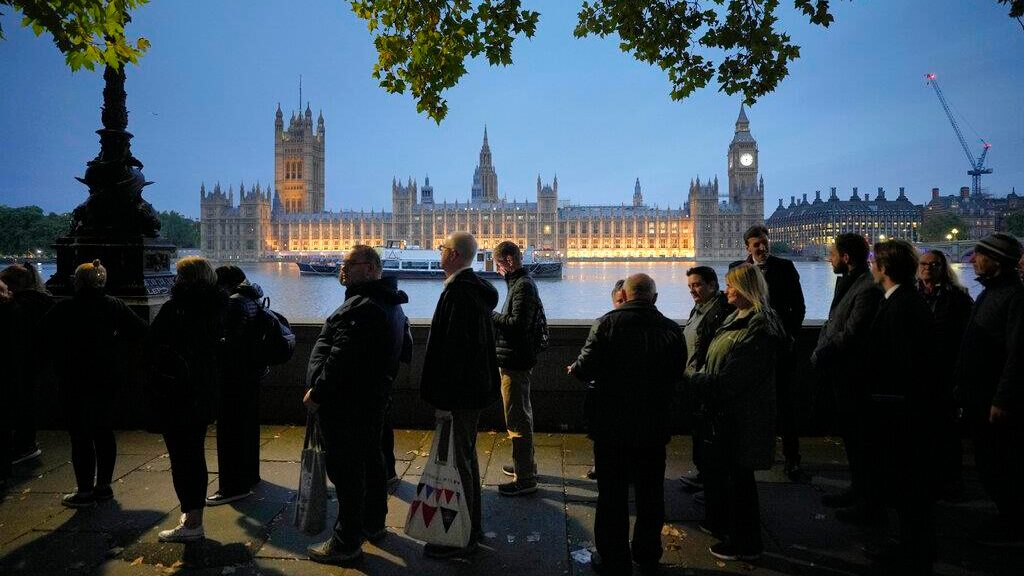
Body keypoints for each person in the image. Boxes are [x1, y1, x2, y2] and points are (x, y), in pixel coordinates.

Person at [569, 274, 685, 575]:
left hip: (612, 424)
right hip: (654, 424)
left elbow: (584, 369)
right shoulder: (672, 330)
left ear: (625, 295)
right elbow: (677, 376)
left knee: (612, 495)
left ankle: (613, 559)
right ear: (654, 298)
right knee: (650, 493)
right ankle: (647, 553)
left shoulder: (606, 324)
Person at [304, 244, 412, 565]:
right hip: (373, 399)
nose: (342, 268)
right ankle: (373, 523)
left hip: (348, 404)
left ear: (368, 268)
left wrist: (318, 392)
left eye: (348, 264)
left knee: (347, 472)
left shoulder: (365, 306)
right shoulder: (391, 304)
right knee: (372, 460)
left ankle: (346, 541)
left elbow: (342, 358)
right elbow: (402, 350)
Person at [686, 264, 787, 561]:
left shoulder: (759, 326)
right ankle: (733, 532)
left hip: (741, 415)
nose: (726, 290)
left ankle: (746, 543)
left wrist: (692, 379)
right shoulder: (737, 317)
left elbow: (733, 378)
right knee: (732, 478)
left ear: (746, 290)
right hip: (727, 412)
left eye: (731, 286)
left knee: (740, 482)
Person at [419, 231, 500, 559]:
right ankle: (472, 525)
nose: (439, 252)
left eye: (442, 248)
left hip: (461, 394)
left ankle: (462, 538)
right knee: (466, 457)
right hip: (475, 389)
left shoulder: (458, 295)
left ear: (453, 255)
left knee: (459, 461)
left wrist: (444, 401)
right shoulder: (474, 290)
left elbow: (453, 352)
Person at [41, 260, 147, 507]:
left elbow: (41, 336)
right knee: (103, 431)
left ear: (77, 282)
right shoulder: (115, 306)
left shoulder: (64, 308)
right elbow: (142, 331)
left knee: (80, 435)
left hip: (74, 377)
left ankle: (85, 490)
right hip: (107, 376)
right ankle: (104, 486)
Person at [864, 239, 941, 574]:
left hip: (902, 412)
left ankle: (916, 554)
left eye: (874, 262)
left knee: (909, 486)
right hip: (903, 409)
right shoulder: (904, 300)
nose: (870, 267)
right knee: (907, 486)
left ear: (884, 268)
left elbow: (905, 366)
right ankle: (912, 545)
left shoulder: (902, 306)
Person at [146, 256, 226, 542]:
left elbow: (152, 344)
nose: (175, 280)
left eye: (179, 276)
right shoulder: (220, 306)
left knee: (183, 458)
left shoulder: (176, 309)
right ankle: (194, 515)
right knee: (195, 455)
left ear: (187, 280)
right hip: (205, 393)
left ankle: (192, 522)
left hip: (178, 394)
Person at [954, 233, 1024, 541]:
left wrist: (1003, 399)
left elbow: (1018, 353)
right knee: (987, 460)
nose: (972, 259)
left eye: (979, 255)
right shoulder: (989, 293)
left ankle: (1012, 521)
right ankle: (1005, 515)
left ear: (995, 261)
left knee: (1000, 462)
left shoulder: (1015, 297)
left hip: (992, 397)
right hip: (975, 393)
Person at [810, 233, 882, 512]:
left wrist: (823, 353)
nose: (829, 258)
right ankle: (858, 489)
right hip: (842, 373)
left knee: (863, 440)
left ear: (846, 258)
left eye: (832, 254)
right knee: (852, 438)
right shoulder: (853, 282)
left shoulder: (867, 287)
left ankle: (871, 504)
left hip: (855, 374)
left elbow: (853, 331)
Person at [731, 225, 806, 480]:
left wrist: (791, 336)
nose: (762, 248)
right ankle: (754, 454)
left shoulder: (785, 267)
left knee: (786, 403)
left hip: (778, 345)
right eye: (756, 244)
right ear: (747, 247)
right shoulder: (737, 268)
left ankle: (792, 458)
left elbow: (799, 307)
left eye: (765, 242)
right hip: (749, 346)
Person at [206, 265, 266, 506]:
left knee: (229, 433)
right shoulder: (253, 298)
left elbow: (229, 343)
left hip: (233, 377)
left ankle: (232, 486)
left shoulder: (233, 303)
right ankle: (250, 475)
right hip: (251, 374)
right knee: (248, 428)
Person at [916, 249, 973, 500]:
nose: (927, 268)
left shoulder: (958, 298)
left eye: (934, 264)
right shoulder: (915, 296)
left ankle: (952, 482)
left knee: (946, 431)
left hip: (945, 371)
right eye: (924, 264)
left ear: (943, 268)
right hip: (921, 372)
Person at [492, 240, 546, 496]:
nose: (497, 270)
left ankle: (524, 478)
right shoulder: (519, 284)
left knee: (517, 419)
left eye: (499, 264)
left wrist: (489, 314)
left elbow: (517, 324)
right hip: (516, 359)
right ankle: (525, 465)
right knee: (522, 413)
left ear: (510, 261)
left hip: (516, 361)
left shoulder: (523, 286)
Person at [679, 267, 734, 497]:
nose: (693, 290)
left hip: (706, 379)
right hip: (694, 379)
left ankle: (714, 488)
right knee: (699, 431)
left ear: (713, 284)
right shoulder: (700, 307)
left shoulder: (720, 310)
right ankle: (705, 477)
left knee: (711, 436)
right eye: (690, 286)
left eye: (697, 285)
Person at [0, 264, 55, 464]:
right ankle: (26, 444)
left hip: (18, 363)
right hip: (38, 361)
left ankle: (23, 445)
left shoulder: (17, 307)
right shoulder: (46, 302)